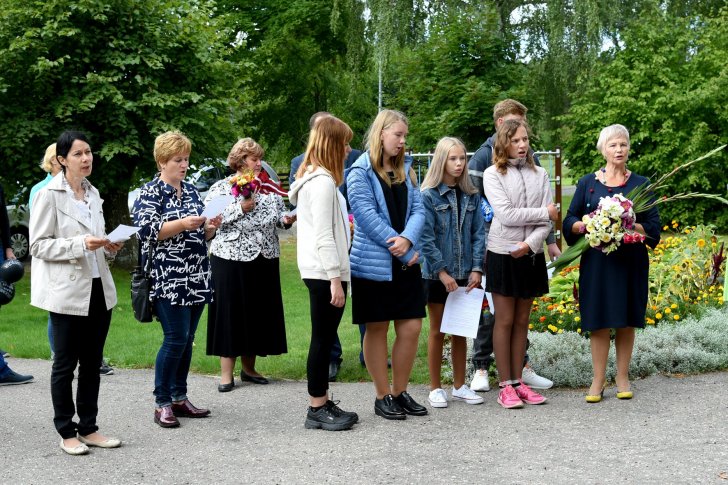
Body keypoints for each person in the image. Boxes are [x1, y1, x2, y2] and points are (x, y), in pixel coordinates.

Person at [29, 131, 124, 455]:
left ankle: (89, 428)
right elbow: (38, 246)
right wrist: (80, 244)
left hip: (99, 288)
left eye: (89, 152)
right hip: (66, 292)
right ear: (62, 160)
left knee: (92, 362)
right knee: (65, 364)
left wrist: (108, 245)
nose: (86, 158)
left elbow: (96, 240)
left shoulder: (93, 193)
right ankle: (66, 431)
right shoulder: (49, 195)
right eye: (78, 154)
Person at [563, 124, 660, 403]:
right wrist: (587, 224)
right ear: (603, 149)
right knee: (598, 320)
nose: (619, 150)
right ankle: (598, 379)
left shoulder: (640, 184)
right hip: (597, 263)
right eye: (613, 145)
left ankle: (622, 376)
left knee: (626, 318)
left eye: (623, 145)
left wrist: (628, 221)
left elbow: (654, 228)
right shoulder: (587, 183)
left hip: (630, 262)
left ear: (628, 149)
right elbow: (570, 220)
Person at [131, 131, 222, 428]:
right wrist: (182, 223)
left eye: (186, 159)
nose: (184, 165)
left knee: (188, 339)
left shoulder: (192, 190)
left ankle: (179, 397)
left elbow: (201, 234)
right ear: (162, 162)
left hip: (197, 274)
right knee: (175, 338)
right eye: (177, 160)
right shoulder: (150, 193)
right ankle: (162, 402)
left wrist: (210, 227)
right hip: (168, 276)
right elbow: (148, 232)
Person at [467, 99, 556, 392]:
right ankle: (497, 378)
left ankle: (518, 380)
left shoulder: (540, 172)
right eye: (515, 139)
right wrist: (545, 213)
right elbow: (505, 214)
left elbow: (547, 221)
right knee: (500, 319)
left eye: (525, 139)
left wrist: (531, 244)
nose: (522, 144)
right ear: (502, 137)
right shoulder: (491, 170)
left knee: (521, 321)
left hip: (530, 254)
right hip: (500, 252)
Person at [347, 109, 428, 420]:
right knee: (377, 327)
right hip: (373, 265)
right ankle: (382, 396)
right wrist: (402, 248)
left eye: (405, 135)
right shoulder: (359, 171)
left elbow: (419, 210)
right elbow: (366, 217)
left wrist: (408, 239)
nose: (403, 140)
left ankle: (400, 391)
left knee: (411, 326)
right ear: (381, 133)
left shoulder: (405, 169)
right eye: (398, 134)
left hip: (406, 261)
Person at [289, 115, 359, 430]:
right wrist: (335, 278)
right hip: (324, 273)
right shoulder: (322, 183)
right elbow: (323, 236)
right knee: (322, 340)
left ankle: (322, 400)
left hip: (322, 271)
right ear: (332, 144)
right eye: (344, 143)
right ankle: (316, 407)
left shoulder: (319, 179)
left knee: (324, 337)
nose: (348, 149)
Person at [205, 138, 291, 392]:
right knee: (230, 315)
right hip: (230, 259)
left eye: (260, 159)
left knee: (256, 314)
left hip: (264, 258)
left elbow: (278, 217)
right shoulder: (222, 188)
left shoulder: (268, 188)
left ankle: (249, 369)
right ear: (241, 161)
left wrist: (286, 220)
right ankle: (226, 374)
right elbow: (210, 219)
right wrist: (240, 208)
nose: (259, 163)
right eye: (254, 159)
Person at [420, 137, 485, 408]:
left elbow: (478, 234)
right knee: (437, 330)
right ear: (441, 160)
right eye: (453, 159)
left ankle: (459, 386)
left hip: (465, 273)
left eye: (462, 159)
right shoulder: (428, 195)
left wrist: (477, 268)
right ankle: (435, 388)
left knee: (461, 331)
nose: (459, 164)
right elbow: (425, 238)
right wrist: (442, 272)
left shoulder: (472, 195)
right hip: (437, 275)